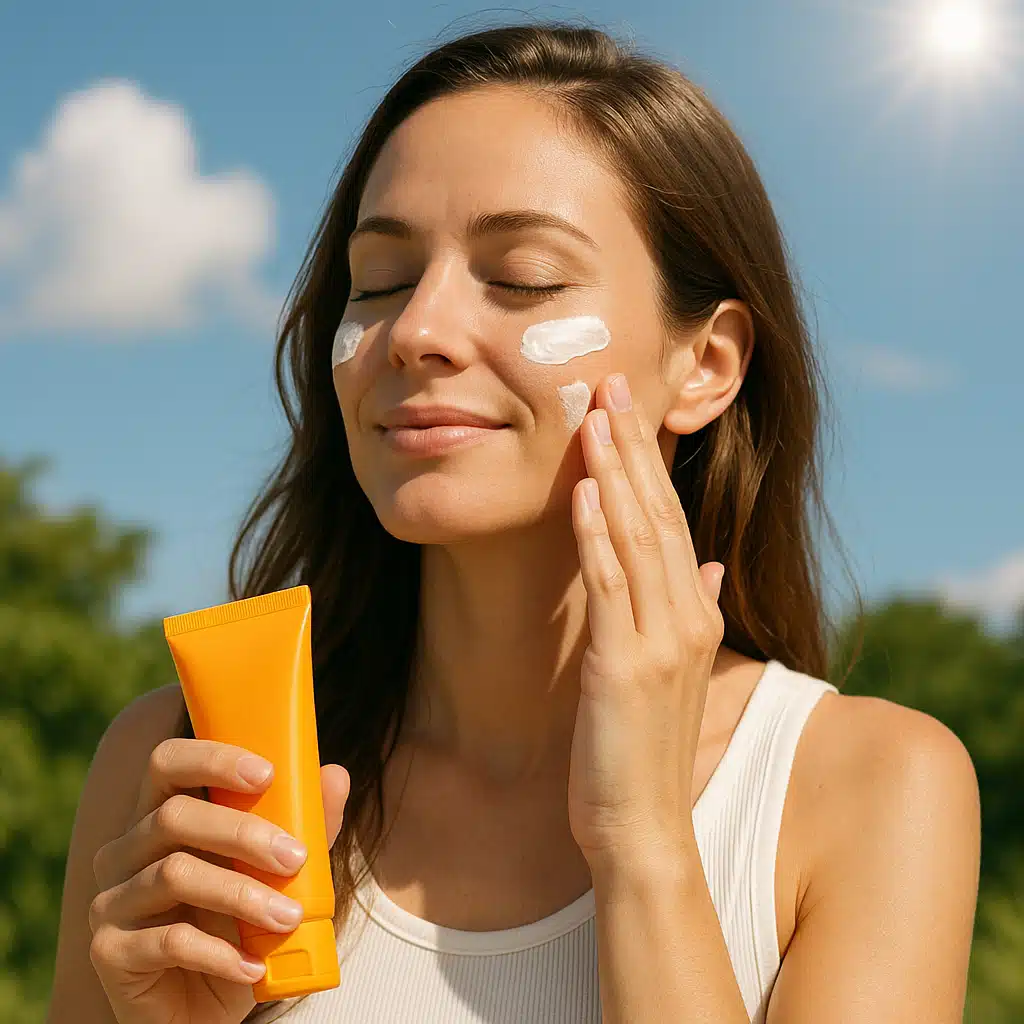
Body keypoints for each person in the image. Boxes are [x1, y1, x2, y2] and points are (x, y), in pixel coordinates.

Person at [47, 21, 981, 1024]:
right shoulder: (181, 763)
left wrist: (644, 843)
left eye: (523, 277)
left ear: (705, 365)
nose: (415, 331)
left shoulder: (872, 785)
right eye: (380, 281)